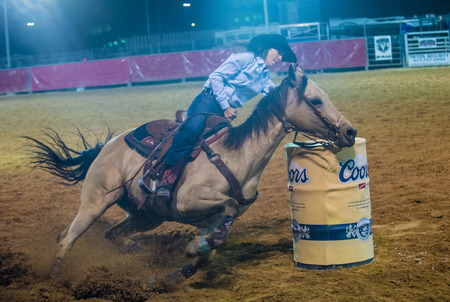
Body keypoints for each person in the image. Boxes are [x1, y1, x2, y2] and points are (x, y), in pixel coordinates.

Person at [152, 34, 297, 206]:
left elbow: (271, 93)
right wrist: (226, 106)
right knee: (192, 128)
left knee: (227, 145)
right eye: (279, 53)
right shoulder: (245, 58)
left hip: (224, 111)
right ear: (268, 48)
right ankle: (166, 179)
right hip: (208, 101)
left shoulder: (264, 75)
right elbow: (215, 77)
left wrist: (290, 90)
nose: (280, 58)